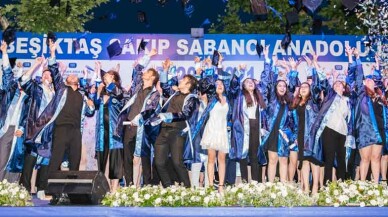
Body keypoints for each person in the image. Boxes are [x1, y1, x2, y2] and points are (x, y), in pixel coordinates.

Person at [116, 49, 160, 186]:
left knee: (144, 157)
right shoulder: (137, 86)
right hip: (129, 126)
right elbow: (137, 69)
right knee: (127, 157)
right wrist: (149, 56)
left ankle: (146, 185)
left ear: (152, 77)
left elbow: (150, 109)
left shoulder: (155, 93)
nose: (144, 73)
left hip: (142, 128)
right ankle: (129, 184)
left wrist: (138, 119)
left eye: (147, 72)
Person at [151, 74, 199, 188]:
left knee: (177, 162)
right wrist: (165, 71)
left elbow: (185, 114)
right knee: (158, 162)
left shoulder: (192, 98)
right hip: (164, 130)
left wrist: (166, 116)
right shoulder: (174, 94)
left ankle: (187, 188)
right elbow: (164, 86)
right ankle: (168, 188)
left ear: (188, 84)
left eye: (183, 80)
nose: (180, 81)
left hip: (177, 132)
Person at [0, 42, 29, 182]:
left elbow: (26, 116)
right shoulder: (9, 91)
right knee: (2, 158)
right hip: (5, 128)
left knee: (15, 160)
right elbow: (6, 71)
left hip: (17, 131)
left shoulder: (26, 98)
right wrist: (5, 53)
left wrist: (22, 128)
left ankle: (11, 187)